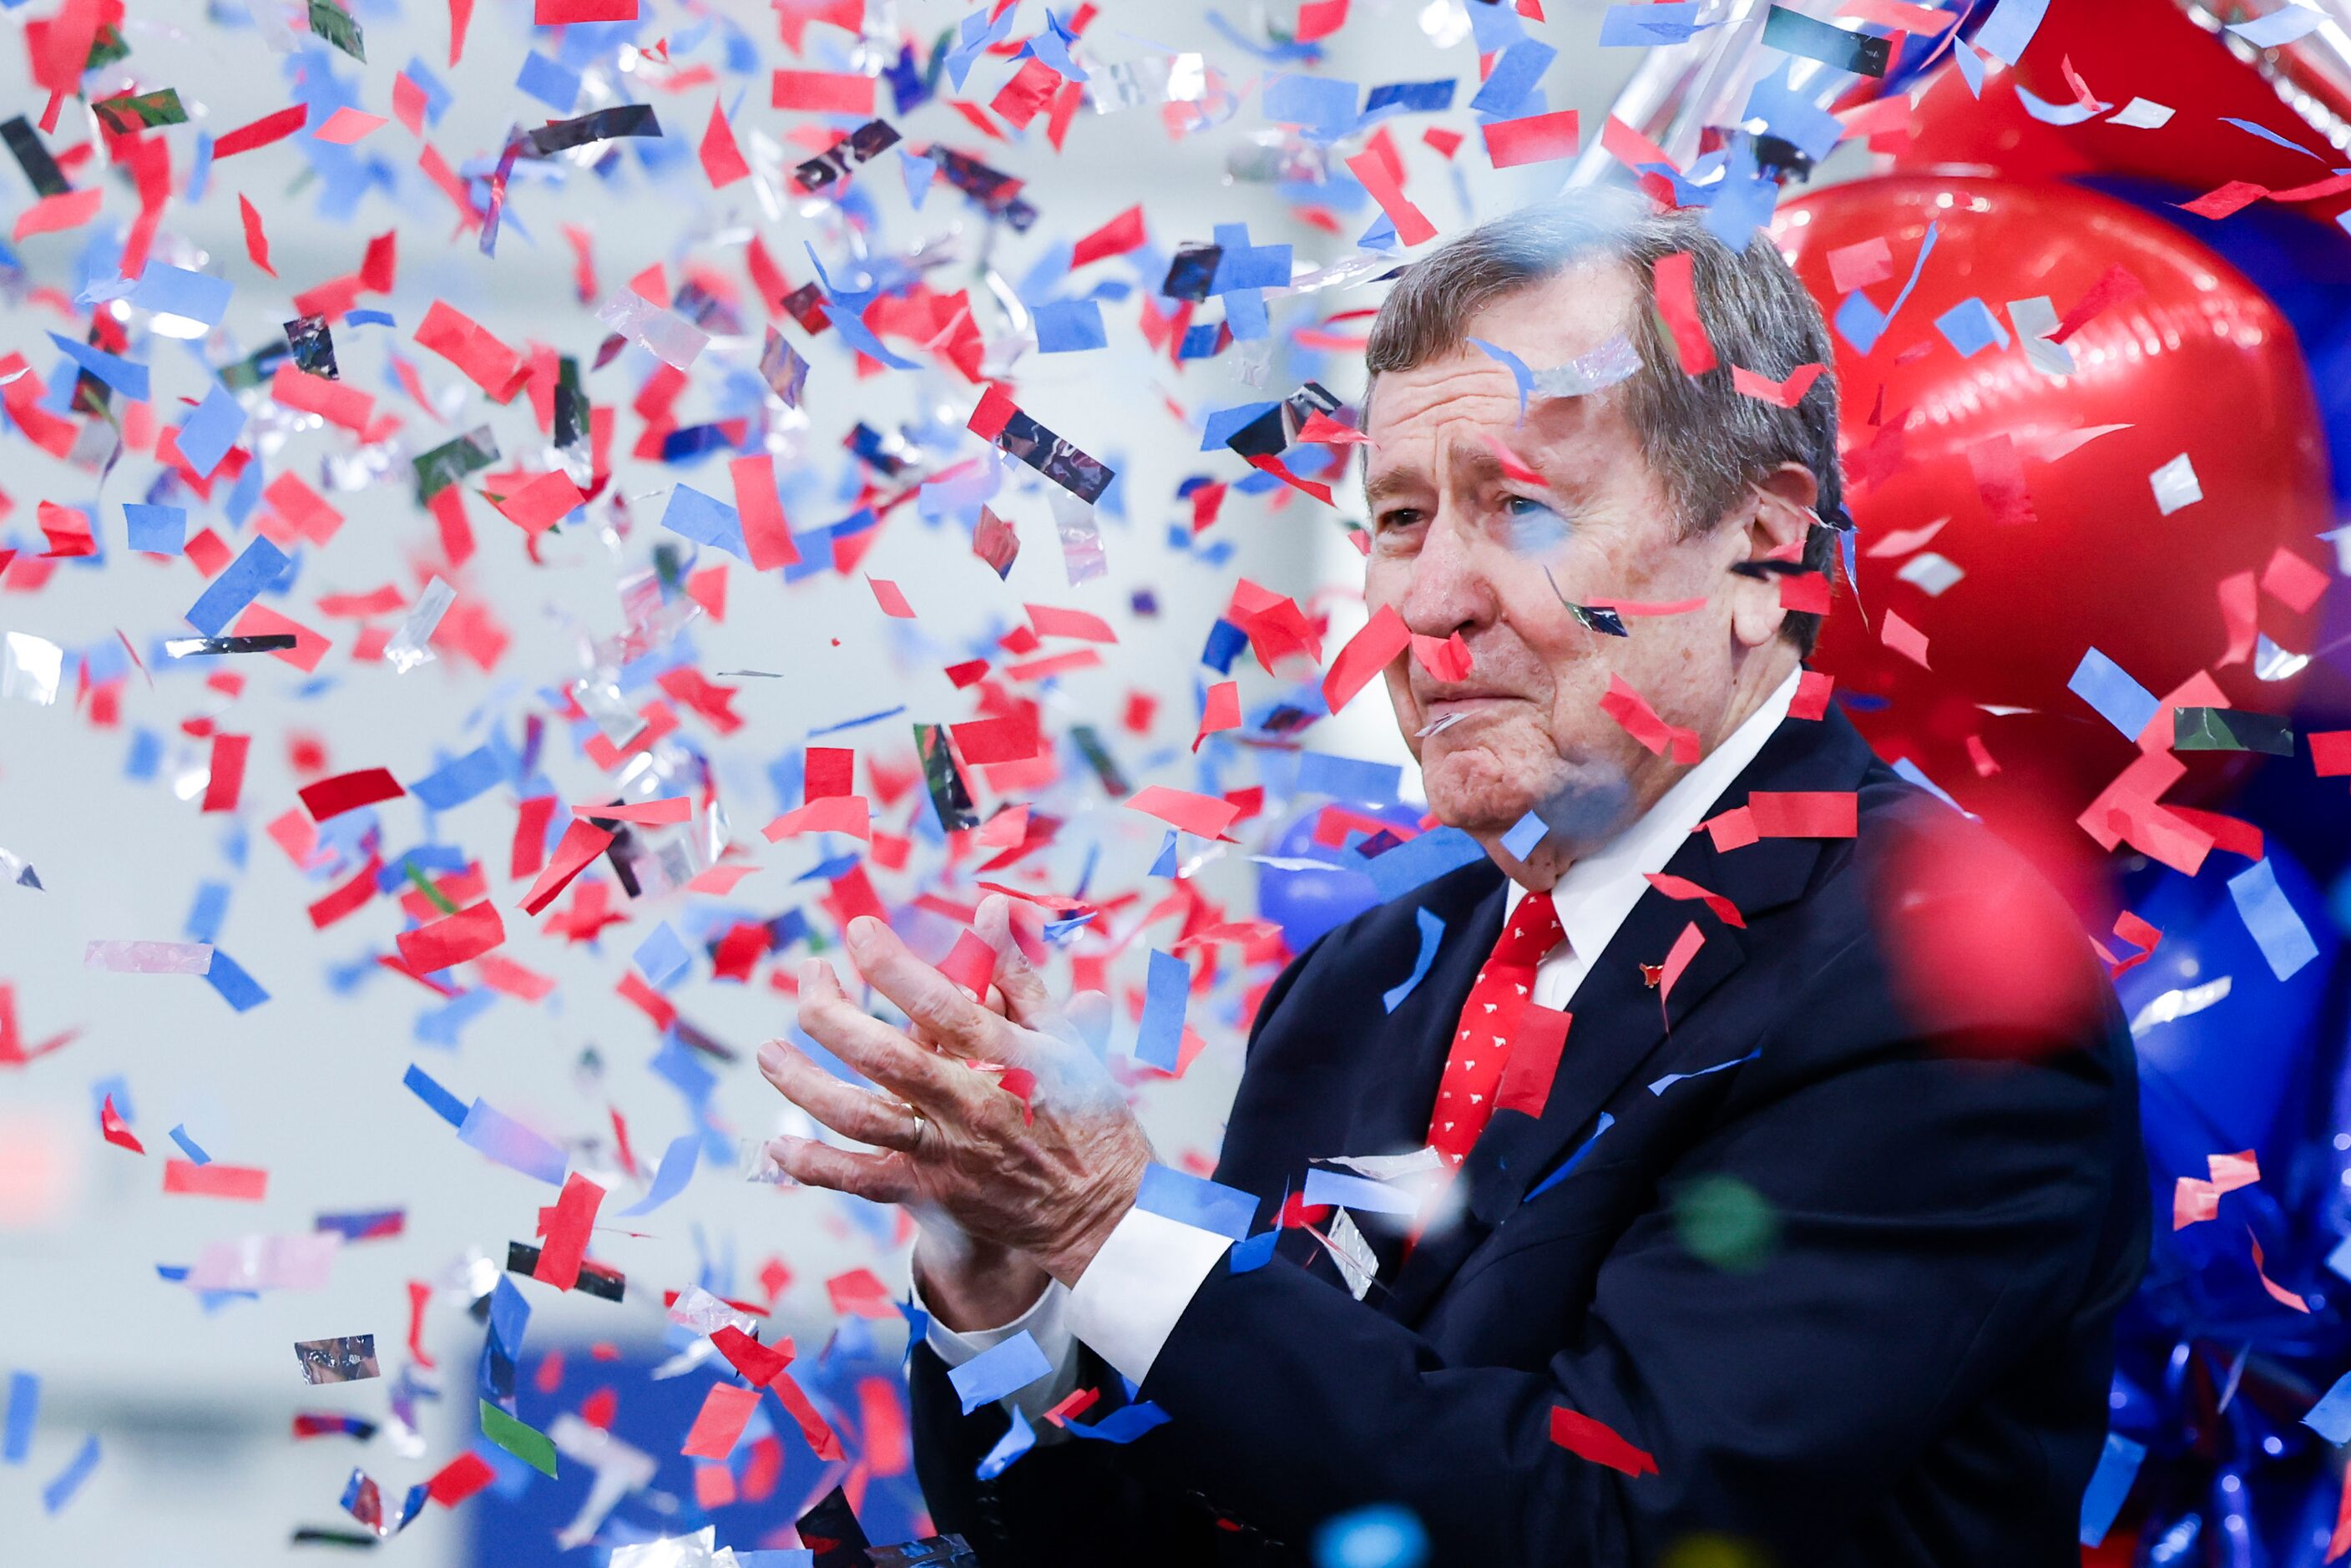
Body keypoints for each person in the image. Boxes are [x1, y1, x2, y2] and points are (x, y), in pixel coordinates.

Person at [754, 190, 2150, 1567]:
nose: (1427, 604)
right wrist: (1011, 1290)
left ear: (1763, 545)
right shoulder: (1359, 988)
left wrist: (1104, 1227)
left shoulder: (1933, 984)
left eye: (1520, 507)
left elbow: (1608, 1526)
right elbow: (1193, 1524)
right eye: (1403, 518)